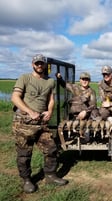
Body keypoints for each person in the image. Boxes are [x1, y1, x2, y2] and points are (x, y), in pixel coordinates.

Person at [11, 54, 68, 194]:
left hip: (42, 122)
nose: (39, 66)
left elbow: (51, 99)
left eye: (41, 63)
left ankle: (50, 175)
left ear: (45, 65)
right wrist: (30, 112)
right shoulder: (25, 78)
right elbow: (15, 97)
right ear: (32, 64)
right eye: (37, 63)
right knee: (24, 153)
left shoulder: (50, 81)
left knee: (52, 148)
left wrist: (49, 111)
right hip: (24, 122)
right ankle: (26, 180)